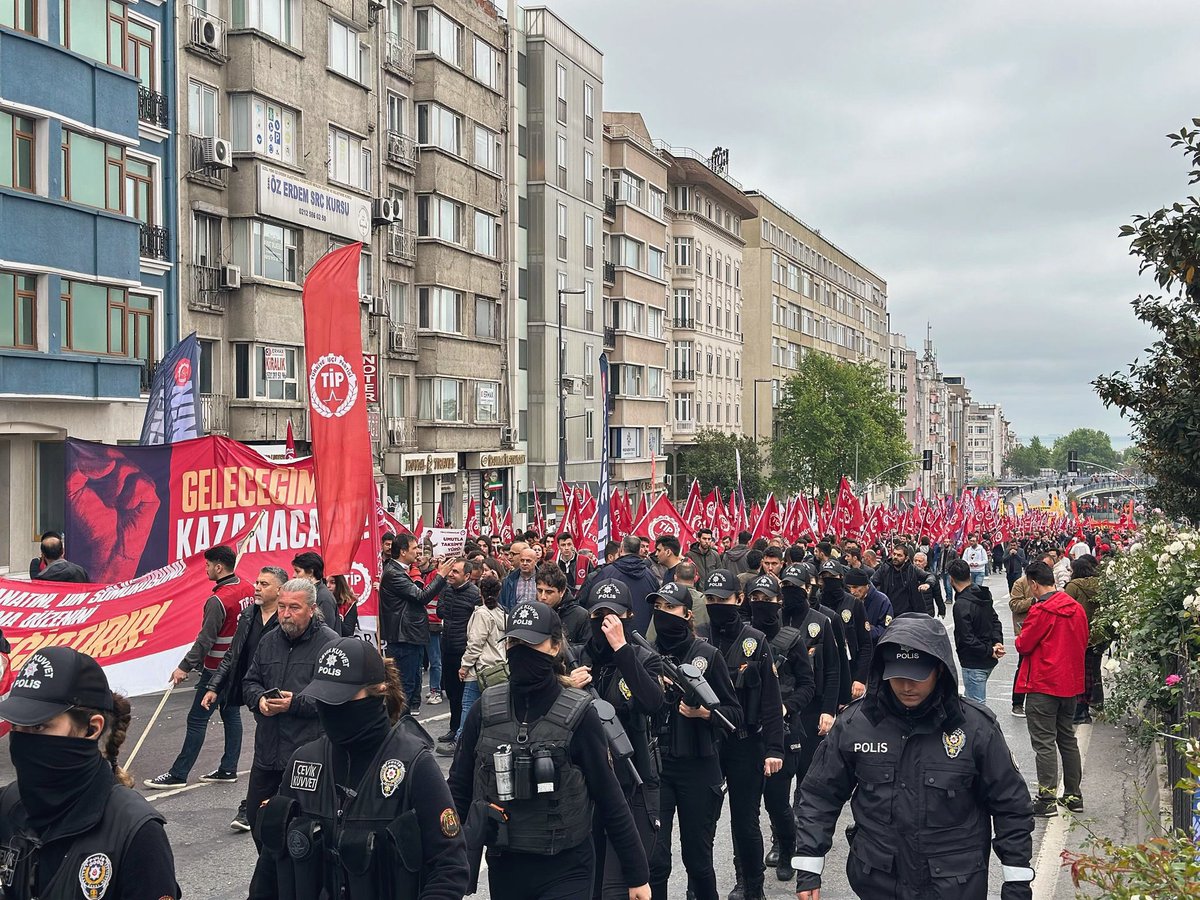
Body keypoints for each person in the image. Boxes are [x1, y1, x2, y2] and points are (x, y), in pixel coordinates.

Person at [793, 614, 1035, 900]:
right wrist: (809, 868)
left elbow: (1011, 805)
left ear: (940, 670)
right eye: (897, 674)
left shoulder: (976, 729)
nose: (906, 686)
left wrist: (1017, 881)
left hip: (953, 885)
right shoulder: (856, 724)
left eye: (917, 675)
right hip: (878, 881)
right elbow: (819, 795)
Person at [447, 601, 652, 900]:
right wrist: (443, 861)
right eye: (514, 641)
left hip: (567, 868)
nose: (520, 650)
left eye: (532, 642)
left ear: (556, 646)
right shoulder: (486, 709)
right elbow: (459, 790)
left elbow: (609, 797)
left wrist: (637, 876)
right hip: (507, 866)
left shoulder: (580, 714)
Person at [251, 638, 470, 899]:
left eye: (341, 697)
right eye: (324, 696)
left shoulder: (413, 765)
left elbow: (450, 867)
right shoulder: (303, 762)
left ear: (378, 691)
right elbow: (270, 862)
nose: (331, 707)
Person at [0, 647, 181, 899]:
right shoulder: (8, 805)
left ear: (91, 729)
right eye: (18, 726)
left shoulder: (135, 830)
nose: (23, 740)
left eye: (39, 726)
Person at [567, 579, 664, 900]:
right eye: (599, 616)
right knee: (589, 884)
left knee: (620, 888)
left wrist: (622, 649)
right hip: (588, 786)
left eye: (613, 616)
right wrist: (567, 686)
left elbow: (653, 702)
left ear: (629, 616)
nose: (605, 623)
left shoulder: (643, 657)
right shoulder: (577, 658)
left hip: (633, 781)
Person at [647, 581, 743, 900]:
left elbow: (734, 713)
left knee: (698, 860)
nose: (662, 614)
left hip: (699, 766)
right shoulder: (648, 655)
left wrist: (704, 713)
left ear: (687, 614)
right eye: (658, 607)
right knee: (656, 859)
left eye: (669, 607)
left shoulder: (708, 655)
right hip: (658, 766)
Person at [233, 578, 341, 851]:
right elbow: (250, 682)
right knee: (259, 823)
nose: (285, 614)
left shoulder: (329, 643)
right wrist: (259, 700)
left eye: (294, 607)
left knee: (304, 831)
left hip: (308, 755)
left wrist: (296, 703)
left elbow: (335, 697)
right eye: (281, 607)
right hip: (267, 753)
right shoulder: (269, 641)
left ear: (312, 608)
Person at [700, 571, 784, 900]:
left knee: (745, 820)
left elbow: (770, 700)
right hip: (707, 742)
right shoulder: (699, 636)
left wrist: (774, 748)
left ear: (738, 600)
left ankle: (751, 885)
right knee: (703, 821)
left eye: (722, 599)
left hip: (746, 742)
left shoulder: (755, 641)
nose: (716, 605)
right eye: (710, 599)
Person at [145, 544, 255, 789]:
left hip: (216, 669)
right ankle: (228, 768)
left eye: (207, 565)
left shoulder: (218, 600)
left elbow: (206, 640)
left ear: (219, 566)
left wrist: (184, 667)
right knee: (231, 714)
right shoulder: (247, 588)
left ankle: (179, 773)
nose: (205, 569)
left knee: (197, 719)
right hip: (237, 667)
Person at [202, 564, 286, 832]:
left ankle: (253, 806)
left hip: (278, 695)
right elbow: (232, 655)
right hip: (253, 691)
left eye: (264, 584)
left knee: (269, 750)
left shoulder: (287, 617)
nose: (257, 588)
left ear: (280, 590)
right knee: (269, 749)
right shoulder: (248, 615)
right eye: (257, 583)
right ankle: (265, 802)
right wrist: (215, 686)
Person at [751, 568, 816, 883]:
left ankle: (786, 847)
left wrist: (786, 706)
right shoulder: (743, 638)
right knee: (748, 808)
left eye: (767, 598)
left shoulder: (791, 639)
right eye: (755, 597)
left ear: (778, 602)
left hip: (786, 730)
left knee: (777, 801)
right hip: (749, 734)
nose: (761, 603)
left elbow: (808, 685)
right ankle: (747, 872)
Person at [1015, 560, 1090, 816]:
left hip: (1043, 683)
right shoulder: (1076, 608)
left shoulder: (1041, 611)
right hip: (1069, 684)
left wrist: (1018, 635)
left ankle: (1046, 799)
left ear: (1034, 584)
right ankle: (1073, 795)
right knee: (1067, 739)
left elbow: (1024, 645)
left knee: (1044, 743)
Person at [381, 533, 451, 717]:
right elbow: (421, 596)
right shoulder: (393, 573)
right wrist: (440, 576)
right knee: (405, 687)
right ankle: (399, 730)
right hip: (404, 637)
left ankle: (406, 725)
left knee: (411, 685)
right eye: (414, 549)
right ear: (403, 552)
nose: (418, 552)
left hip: (410, 636)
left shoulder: (400, 570)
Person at [437, 558, 482, 750]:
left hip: (464, 650)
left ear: (467, 575)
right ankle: (453, 727)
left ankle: (466, 732)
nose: (451, 574)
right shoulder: (446, 590)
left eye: (456, 572)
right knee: (452, 693)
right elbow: (439, 611)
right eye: (451, 571)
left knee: (466, 696)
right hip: (447, 647)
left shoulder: (474, 595)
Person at [948, 559, 1005, 702]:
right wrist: (997, 643)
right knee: (976, 703)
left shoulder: (961, 605)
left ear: (951, 579)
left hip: (974, 661)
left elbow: (967, 638)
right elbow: (995, 621)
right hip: (987, 657)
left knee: (976, 708)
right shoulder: (983, 594)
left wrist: (992, 649)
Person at [457, 574, 506, 740]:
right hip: (498, 668)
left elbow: (475, 644)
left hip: (478, 669)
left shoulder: (482, 614)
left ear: (480, 592)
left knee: (468, 707)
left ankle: (461, 740)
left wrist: (464, 666)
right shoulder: (502, 613)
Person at [582, 535, 661, 634]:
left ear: (622, 549)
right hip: (642, 637)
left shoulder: (606, 573)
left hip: (610, 636)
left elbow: (589, 603)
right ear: (638, 550)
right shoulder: (651, 577)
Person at [1064, 554, 1104, 723]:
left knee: (1078, 674)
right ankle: (1093, 702)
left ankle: (1079, 710)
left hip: (1079, 635)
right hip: (1099, 634)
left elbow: (1064, 607)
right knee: (1092, 671)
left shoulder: (1073, 586)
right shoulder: (1101, 585)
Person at [871, 544, 930, 616]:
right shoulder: (885, 569)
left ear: (906, 558)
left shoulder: (912, 569)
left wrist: (927, 584)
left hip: (908, 615)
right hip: (889, 612)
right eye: (894, 554)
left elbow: (929, 576)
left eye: (899, 555)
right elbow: (872, 582)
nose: (895, 557)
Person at [292, 550, 341, 633]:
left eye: (298, 571)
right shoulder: (312, 592)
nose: (294, 575)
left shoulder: (323, 597)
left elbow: (327, 632)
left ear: (311, 572)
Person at [844, 567, 892, 650]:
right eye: (849, 587)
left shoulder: (882, 601)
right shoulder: (846, 600)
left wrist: (864, 630)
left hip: (875, 650)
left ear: (866, 585)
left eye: (855, 587)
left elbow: (886, 630)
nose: (852, 591)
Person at [499, 545, 540, 612]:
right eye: (522, 560)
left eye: (528, 561)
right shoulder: (509, 581)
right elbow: (503, 604)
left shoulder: (543, 579)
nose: (524, 563)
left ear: (535, 561)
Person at [556, 531, 595, 596]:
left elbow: (592, 581)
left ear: (573, 545)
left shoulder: (585, 561)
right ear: (558, 546)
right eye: (563, 545)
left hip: (580, 600)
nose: (566, 548)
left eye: (569, 544)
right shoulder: (555, 563)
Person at [327, 573, 360, 637]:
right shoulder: (320, 601)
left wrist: (333, 613)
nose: (328, 586)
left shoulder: (349, 604)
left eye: (332, 582)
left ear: (340, 585)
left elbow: (348, 632)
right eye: (326, 582)